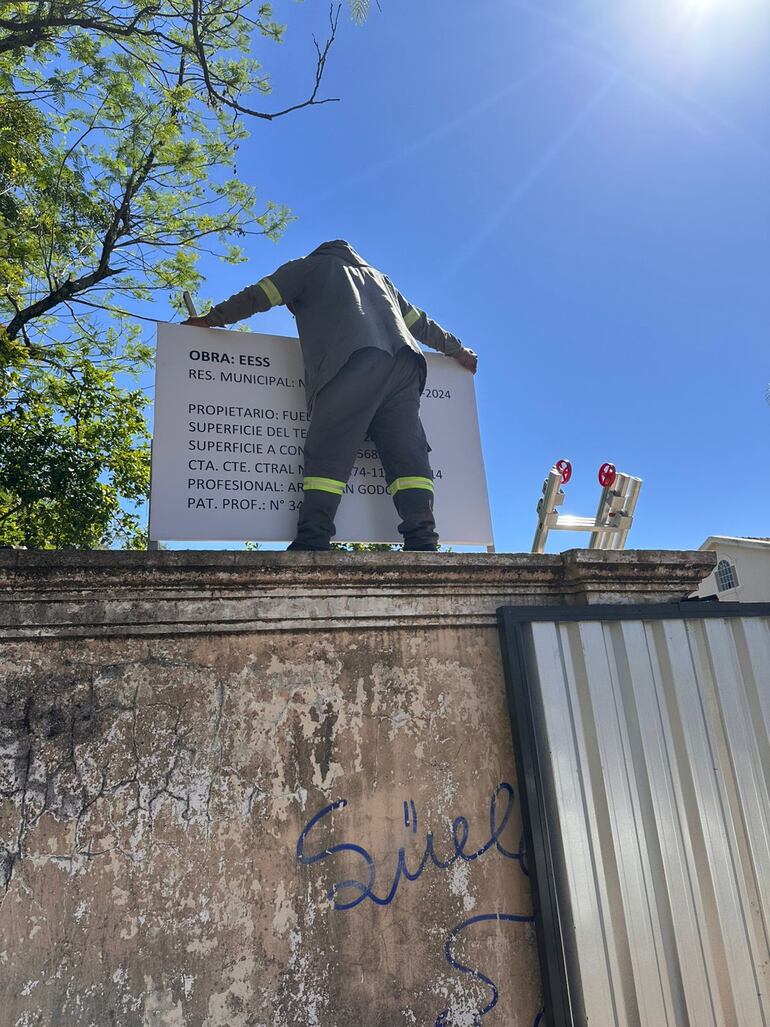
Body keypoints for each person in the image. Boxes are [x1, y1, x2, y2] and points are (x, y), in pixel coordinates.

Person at [182, 239, 477, 551]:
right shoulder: (380, 280)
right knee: (408, 456)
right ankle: (423, 539)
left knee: (328, 450)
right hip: (405, 368)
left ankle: (313, 537)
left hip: (354, 361)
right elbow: (420, 323)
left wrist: (209, 320)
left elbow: (259, 295)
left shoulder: (309, 267)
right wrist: (458, 350)